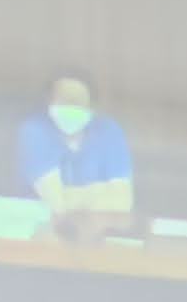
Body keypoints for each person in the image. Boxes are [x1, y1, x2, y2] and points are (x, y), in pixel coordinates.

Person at [13, 71, 132, 228]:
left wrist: (71, 196)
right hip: (41, 229)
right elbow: (57, 203)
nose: (70, 106)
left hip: (98, 231)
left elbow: (121, 204)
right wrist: (97, 194)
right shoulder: (35, 130)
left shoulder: (108, 130)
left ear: (92, 107)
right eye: (63, 100)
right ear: (49, 102)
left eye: (77, 101)